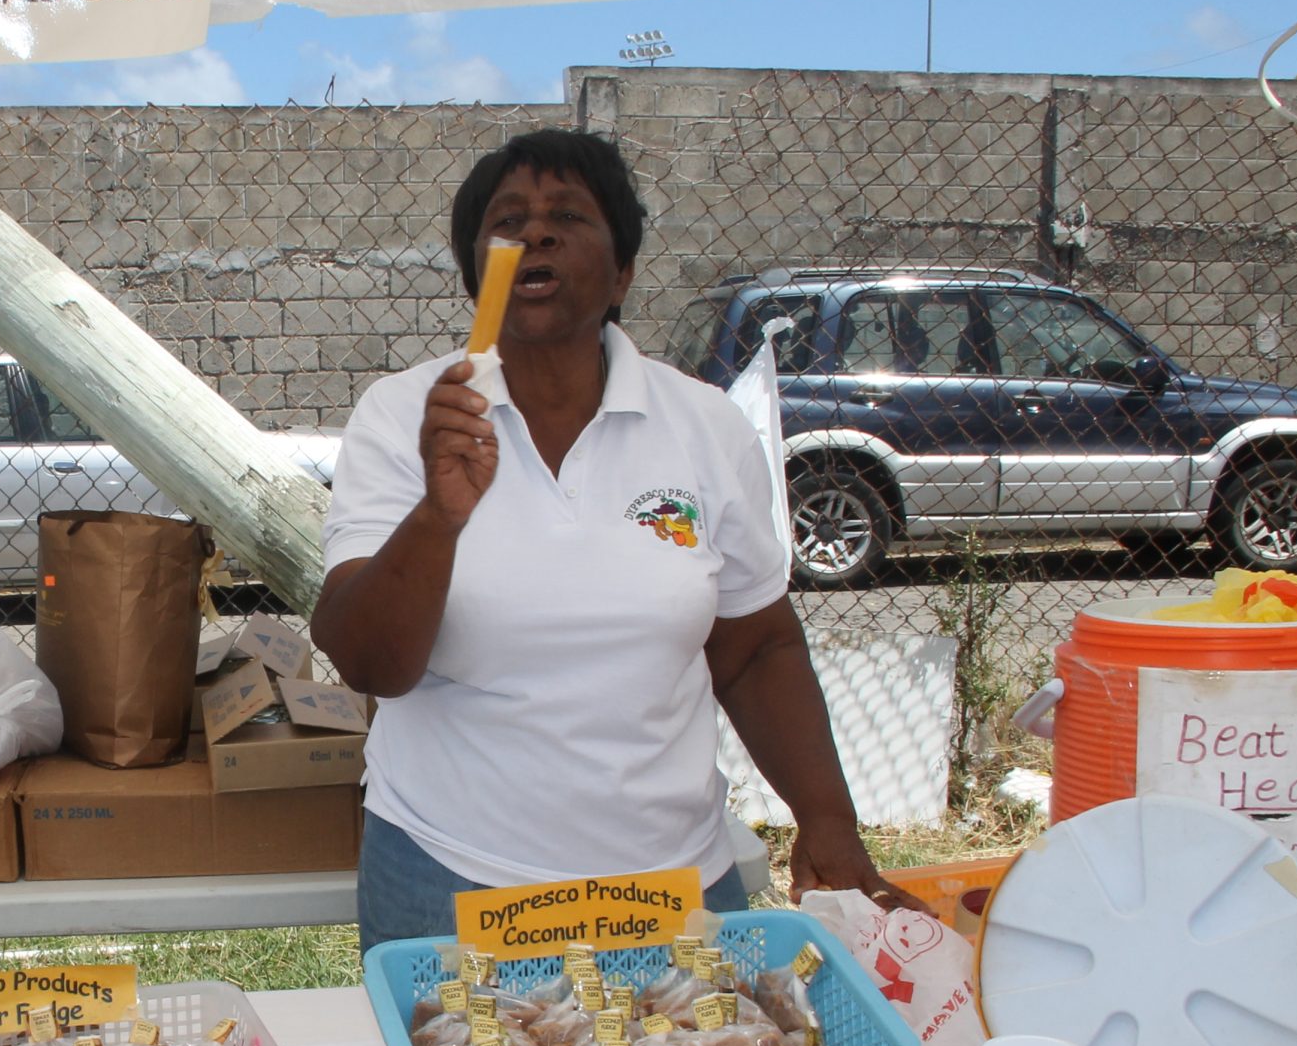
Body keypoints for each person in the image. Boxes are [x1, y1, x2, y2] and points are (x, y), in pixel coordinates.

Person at [312, 128, 908, 952]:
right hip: (452, 879)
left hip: (674, 883)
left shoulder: (702, 425)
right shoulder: (404, 414)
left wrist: (828, 819)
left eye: (569, 216)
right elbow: (370, 663)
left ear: (623, 270)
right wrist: (438, 518)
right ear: (475, 271)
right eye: (508, 219)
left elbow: (756, 649)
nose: (536, 233)